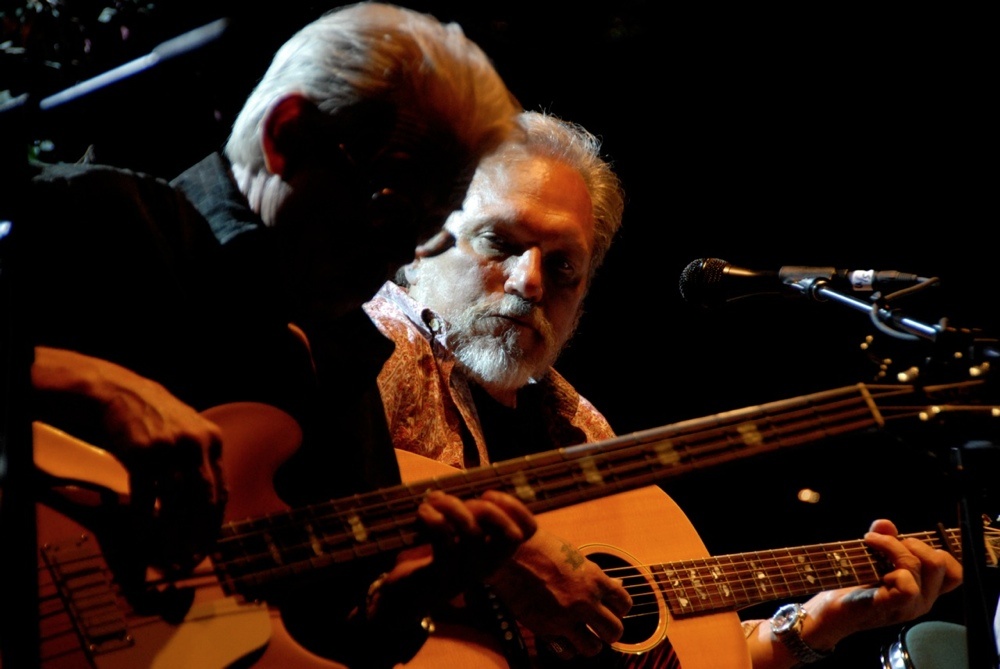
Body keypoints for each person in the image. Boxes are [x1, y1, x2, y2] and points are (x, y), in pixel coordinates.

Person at [11, 3, 539, 667]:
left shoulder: (346, 372)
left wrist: (409, 598)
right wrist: (68, 380)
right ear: (286, 135)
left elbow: (314, 637)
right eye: (387, 208)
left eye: (426, 229)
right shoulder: (93, 222)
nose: (394, 255)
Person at [362, 109, 965, 668]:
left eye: (565, 265)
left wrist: (817, 622)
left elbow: (671, 650)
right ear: (420, 244)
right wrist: (503, 554)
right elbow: (283, 511)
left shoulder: (579, 431)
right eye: (499, 242)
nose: (530, 281)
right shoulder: (366, 350)